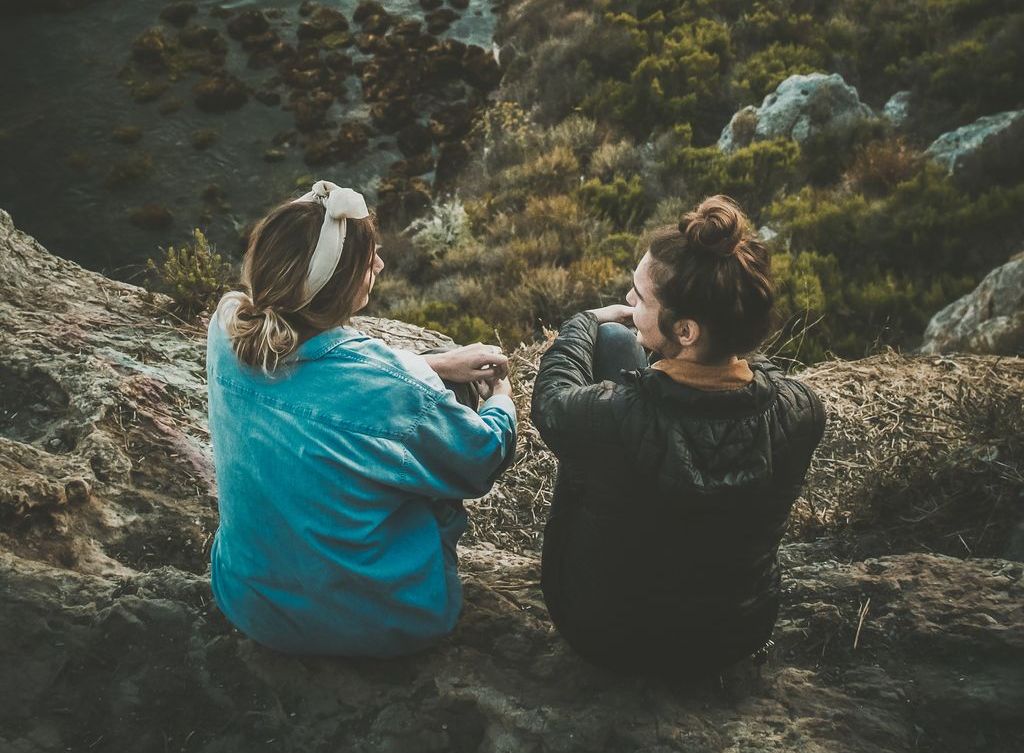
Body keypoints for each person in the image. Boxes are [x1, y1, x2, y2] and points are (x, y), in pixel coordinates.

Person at [206, 180, 517, 657]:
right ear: (340, 287)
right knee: (442, 434)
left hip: (249, 603)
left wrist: (434, 364)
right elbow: (482, 458)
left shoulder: (226, 324)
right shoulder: (392, 388)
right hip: (377, 622)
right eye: (368, 259)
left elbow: (324, 383)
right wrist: (501, 398)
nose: (379, 264)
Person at [530, 195, 826, 678]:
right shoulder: (802, 412)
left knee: (610, 342)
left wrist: (583, 322)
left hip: (607, 635)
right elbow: (752, 375)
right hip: (732, 636)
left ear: (686, 330)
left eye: (640, 297)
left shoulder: (612, 417)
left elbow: (552, 399)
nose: (628, 302)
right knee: (623, 347)